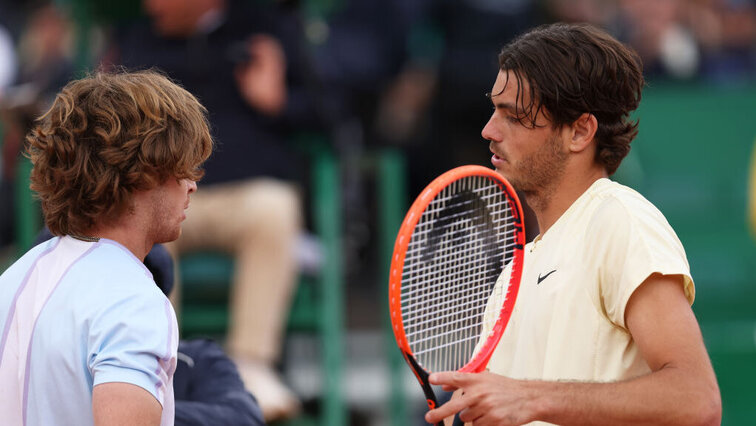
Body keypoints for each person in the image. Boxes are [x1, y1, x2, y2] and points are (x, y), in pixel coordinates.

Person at [425, 23, 721, 425]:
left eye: (513, 116)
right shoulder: (515, 272)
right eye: (494, 110)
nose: (489, 131)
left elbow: (697, 400)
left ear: (580, 131)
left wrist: (530, 398)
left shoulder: (620, 220)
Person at [106, 1, 311, 418]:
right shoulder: (136, 40)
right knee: (133, 215)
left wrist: (278, 100)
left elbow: (332, 117)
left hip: (245, 197)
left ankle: (251, 365)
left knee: (276, 208)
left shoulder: (266, 28)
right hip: (165, 194)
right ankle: (152, 363)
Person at [0, 70, 213, 425]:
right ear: (143, 172)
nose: (192, 184)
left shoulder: (11, 280)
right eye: (182, 167)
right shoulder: (133, 300)